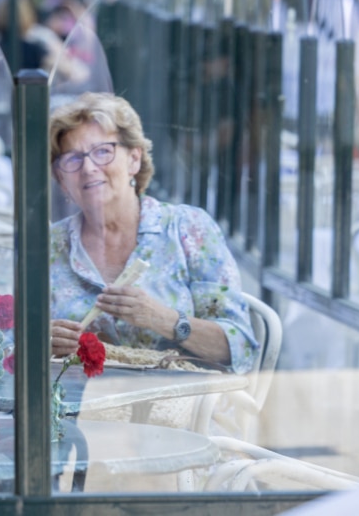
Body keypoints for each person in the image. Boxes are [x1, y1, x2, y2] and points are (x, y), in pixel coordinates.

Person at [47, 93, 258, 373]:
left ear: (134, 159)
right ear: (62, 179)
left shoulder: (188, 228)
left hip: (180, 410)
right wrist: (39, 343)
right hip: (74, 409)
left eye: (102, 152)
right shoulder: (46, 247)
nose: (88, 168)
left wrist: (164, 319)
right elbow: (5, 345)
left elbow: (240, 347)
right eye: (72, 159)